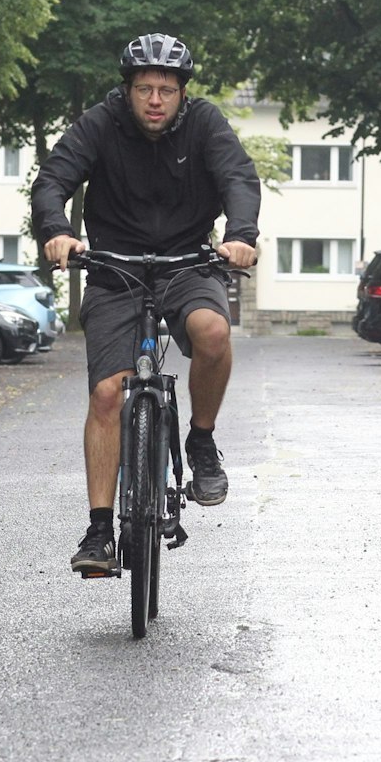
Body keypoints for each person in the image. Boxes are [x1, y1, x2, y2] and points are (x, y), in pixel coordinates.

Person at [31, 33, 261, 575]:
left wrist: (240, 236)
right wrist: (57, 231)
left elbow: (237, 178)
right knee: (108, 394)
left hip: (187, 263)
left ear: (182, 93)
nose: (155, 100)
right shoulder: (100, 123)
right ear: (127, 90)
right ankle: (99, 530)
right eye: (144, 89)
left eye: (166, 90)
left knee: (213, 332)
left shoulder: (205, 123)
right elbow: (53, 180)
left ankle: (201, 441)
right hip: (115, 268)